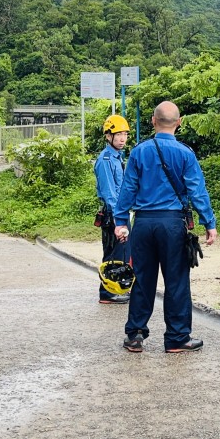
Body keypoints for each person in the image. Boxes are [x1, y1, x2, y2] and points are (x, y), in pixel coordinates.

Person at [113, 101, 218, 353]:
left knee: (143, 279)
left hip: (143, 223)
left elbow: (128, 189)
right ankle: (177, 338)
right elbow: (197, 191)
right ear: (179, 122)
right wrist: (209, 222)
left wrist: (120, 221)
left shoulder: (139, 151)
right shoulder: (185, 153)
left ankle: (135, 335)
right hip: (172, 224)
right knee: (177, 281)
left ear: (152, 121)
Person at [93, 114, 132, 304]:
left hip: (121, 212)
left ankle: (118, 288)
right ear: (108, 136)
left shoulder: (117, 157)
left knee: (123, 253)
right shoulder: (106, 160)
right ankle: (107, 293)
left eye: (124, 134)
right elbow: (109, 192)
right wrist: (119, 219)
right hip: (114, 214)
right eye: (118, 134)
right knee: (112, 254)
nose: (122, 138)